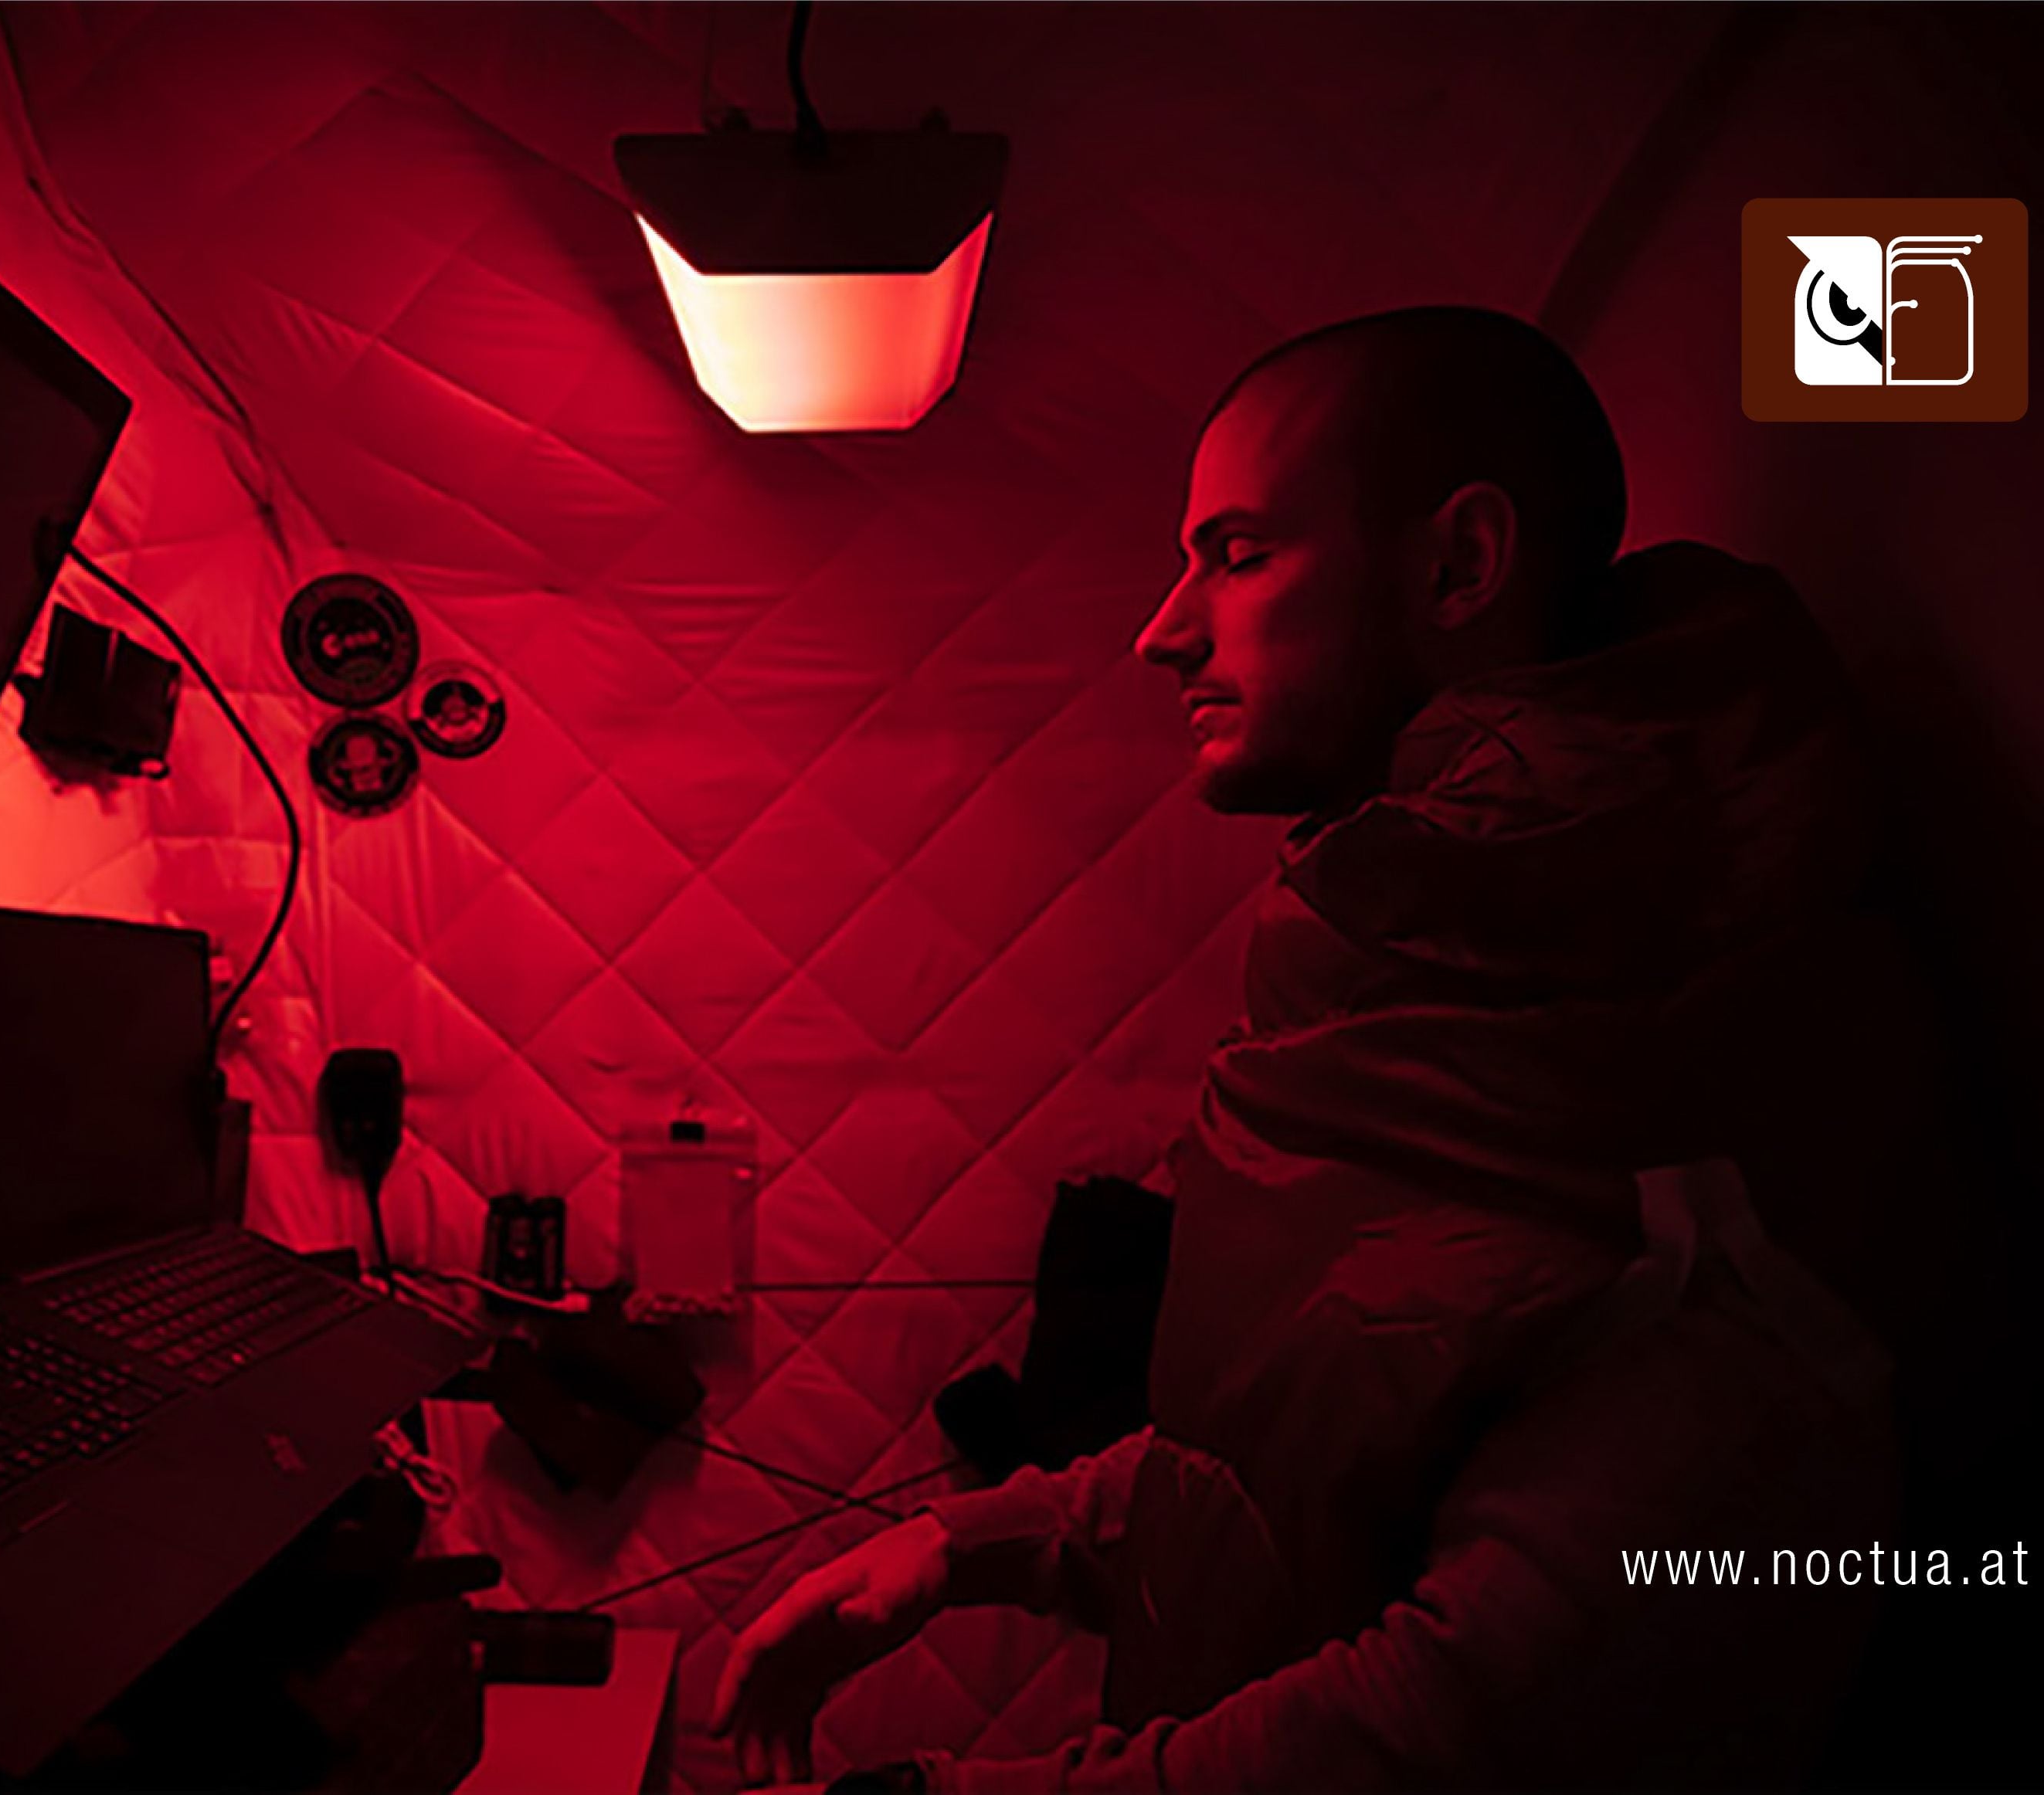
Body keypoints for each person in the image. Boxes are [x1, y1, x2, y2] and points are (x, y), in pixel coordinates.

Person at [711, 307, 1912, 1793]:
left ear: (1458, 567)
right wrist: (973, 1542)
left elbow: (1456, 1719)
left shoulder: (1663, 1043)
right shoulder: (1424, 959)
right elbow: (1316, 1453)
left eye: (1237, 553)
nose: (1162, 632)